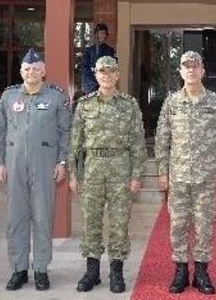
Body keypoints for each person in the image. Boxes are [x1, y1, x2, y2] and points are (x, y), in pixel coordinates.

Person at [155, 51, 216, 295]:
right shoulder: (172, 102)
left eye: (195, 66)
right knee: (177, 225)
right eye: (186, 66)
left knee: (204, 225)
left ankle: (201, 271)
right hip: (178, 175)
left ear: (203, 71)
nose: (191, 70)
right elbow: (162, 139)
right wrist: (162, 171)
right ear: (180, 71)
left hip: (206, 177)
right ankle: (180, 271)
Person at [0, 49, 71, 291]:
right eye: (27, 69)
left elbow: (65, 132)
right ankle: (19, 269)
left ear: (44, 71)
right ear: (21, 72)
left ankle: (41, 269)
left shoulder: (56, 97)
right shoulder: (9, 97)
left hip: (45, 163)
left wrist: (62, 162)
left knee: (42, 216)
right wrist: (0, 162)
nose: (31, 73)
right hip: (15, 164)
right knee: (16, 218)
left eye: (36, 69)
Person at [69, 56, 147, 294]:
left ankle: (116, 271)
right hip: (92, 167)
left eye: (110, 72)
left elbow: (137, 142)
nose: (106, 76)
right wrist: (73, 174)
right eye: (101, 72)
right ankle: (92, 272)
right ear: (96, 75)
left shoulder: (129, 105)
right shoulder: (84, 105)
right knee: (90, 221)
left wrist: (136, 174)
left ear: (117, 75)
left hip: (120, 167)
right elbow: (75, 143)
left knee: (119, 223)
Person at [81, 23, 117, 95]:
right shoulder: (89, 50)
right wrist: (93, 81)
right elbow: (85, 68)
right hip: (91, 84)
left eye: (103, 33)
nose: (100, 35)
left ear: (106, 35)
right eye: (98, 33)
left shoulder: (110, 50)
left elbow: (113, 67)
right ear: (95, 34)